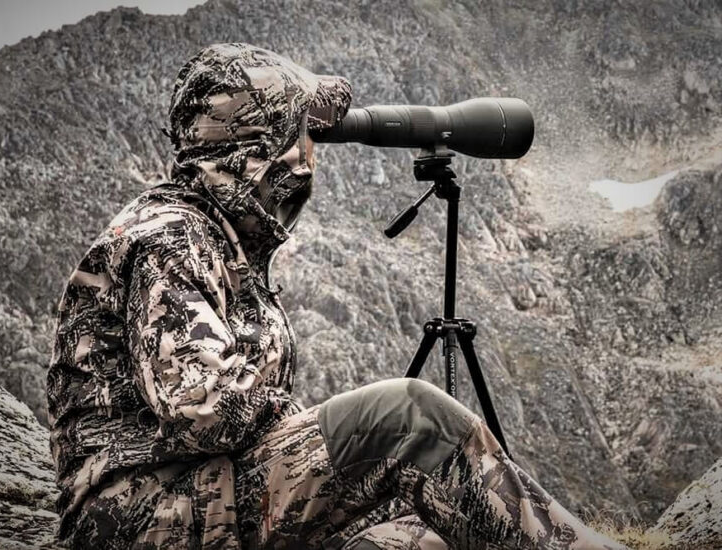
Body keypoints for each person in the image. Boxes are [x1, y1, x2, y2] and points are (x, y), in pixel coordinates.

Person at [46, 42, 629, 550]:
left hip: (204, 496)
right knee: (410, 419)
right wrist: (331, 437)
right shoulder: (169, 240)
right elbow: (205, 411)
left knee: (422, 536)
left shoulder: (214, 236)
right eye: (299, 132)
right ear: (261, 144)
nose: (310, 154)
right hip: (145, 515)